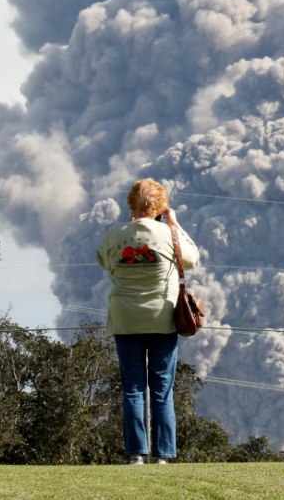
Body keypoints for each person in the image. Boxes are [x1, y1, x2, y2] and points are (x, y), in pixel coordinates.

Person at [97, 178, 199, 465]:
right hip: (162, 319)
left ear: (130, 203)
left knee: (132, 388)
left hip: (126, 320)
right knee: (161, 389)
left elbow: (103, 263)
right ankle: (164, 455)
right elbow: (192, 259)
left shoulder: (114, 235)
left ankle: (135, 455)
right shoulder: (169, 234)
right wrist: (174, 223)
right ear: (160, 205)